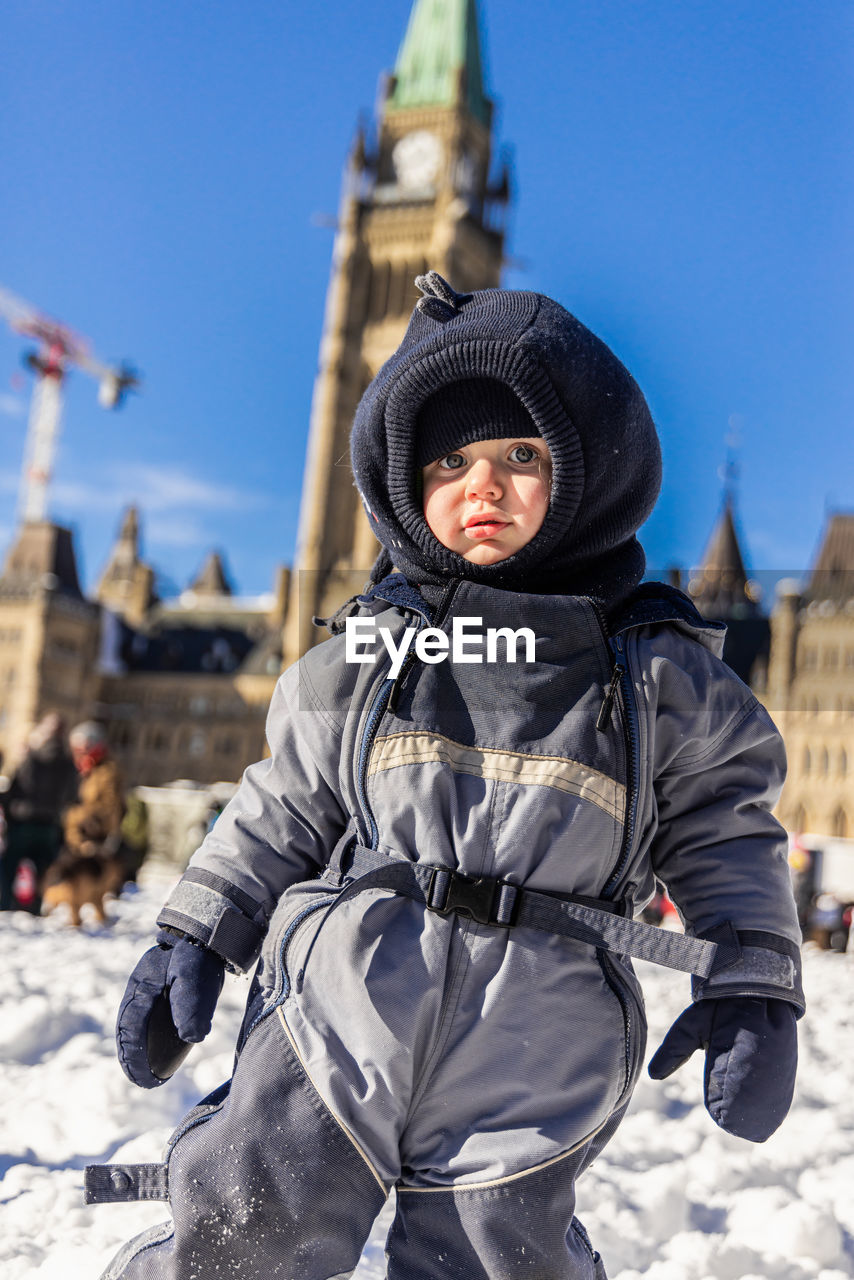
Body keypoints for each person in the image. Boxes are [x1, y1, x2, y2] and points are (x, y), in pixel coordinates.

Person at [88, 273, 804, 1280]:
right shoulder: (373, 650)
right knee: (250, 1213)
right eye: (449, 459)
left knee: (501, 1254)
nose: (483, 482)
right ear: (400, 479)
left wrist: (753, 977)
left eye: (521, 454)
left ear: (589, 470)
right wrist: (199, 924)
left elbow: (728, 830)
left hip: (539, 1025)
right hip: (346, 996)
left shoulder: (650, 667)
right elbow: (283, 799)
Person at [0, 712, 78, 913]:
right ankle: (34, 909)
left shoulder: (30, 756)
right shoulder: (68, 763)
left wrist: (9, 809)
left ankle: (5, 906)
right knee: (43, 870)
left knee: (8, 867)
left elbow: (16, 787)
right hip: (49, 823)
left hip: (22, 822)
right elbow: (72, 795)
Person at [64, 721, 126, 857]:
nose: (79, 757)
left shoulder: (107, 773)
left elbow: (110, 808)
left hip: (94, 837)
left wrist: (76, 816)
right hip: (74, 836)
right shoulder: (80, 772)